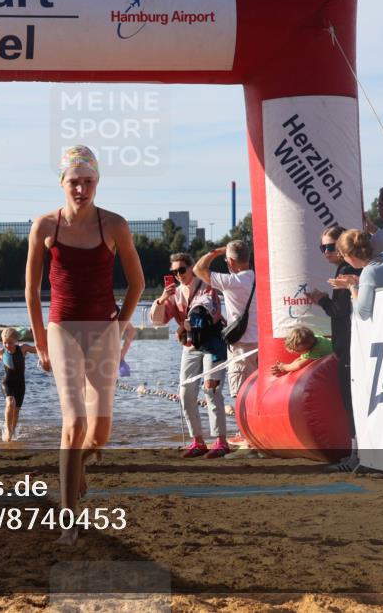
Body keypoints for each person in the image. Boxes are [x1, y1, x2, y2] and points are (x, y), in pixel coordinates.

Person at [25, 145, 144, 545]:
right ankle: (68, 521)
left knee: (100, 436)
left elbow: (138, 283)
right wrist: (41, 341)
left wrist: (121, 326)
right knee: (73, 421)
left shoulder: (114, 225)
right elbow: (31, 291)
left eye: (88, 181)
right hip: (63, 328)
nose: (81, 188)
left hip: (103, 330)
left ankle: (78, 465)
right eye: (74, 181)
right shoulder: (45, 227)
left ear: (97, 183)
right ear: (62, 183)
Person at [150, 252, 231, 459]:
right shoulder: (174, 294)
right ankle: (198, 441)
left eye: (182, 270)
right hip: (190, 345)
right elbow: (158, 322)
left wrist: (194, 316)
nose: (178, 275)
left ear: (191, 268)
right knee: (185, 392)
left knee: (211, 391)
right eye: (174, 271)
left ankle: (221, 441)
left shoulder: (207, 287)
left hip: (213, 344)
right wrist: (162, 299)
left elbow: (207, 306)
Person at [305, 225, 361, 436]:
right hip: (353, 342)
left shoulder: (347, 271)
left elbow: (341, 310)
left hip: (348, 343)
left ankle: (357, 452)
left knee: (350, 399)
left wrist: (322, 300)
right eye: (322, 248)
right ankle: (360, 451)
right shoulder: (349, 269)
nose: (326, 252)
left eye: (330, 246)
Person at [193, 240, 258, 401]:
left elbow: (198, 269)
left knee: (242, 396)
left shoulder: (232, 282)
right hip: (261, 344)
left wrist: (215, 252)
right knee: (258, 393)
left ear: (231, 261)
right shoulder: (258, 278)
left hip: (241, 345)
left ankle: (243, 427)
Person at [330, 229, 383, 320]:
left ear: (350, 256)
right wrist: (359, 281)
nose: (344, 260)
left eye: (342, 256)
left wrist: (352, 286)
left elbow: (362, 314)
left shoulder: (368, 272)